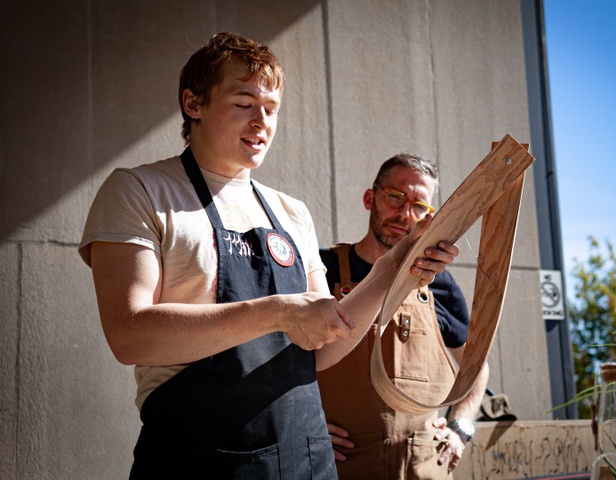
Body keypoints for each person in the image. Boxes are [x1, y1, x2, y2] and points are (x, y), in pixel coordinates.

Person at [78, 33, 459, 480]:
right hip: (196, 457)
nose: (262, 121)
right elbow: (129, 335)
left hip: (305, 459)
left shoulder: (290, 211)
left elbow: (325, 343)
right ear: (193, 103)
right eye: (244, 103)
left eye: (272, 109)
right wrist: (277, 312)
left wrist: (393, 269)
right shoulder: (140, 190)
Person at [317, 153, 489, 479]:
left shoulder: (440, 285)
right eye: (395, 197)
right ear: (371, 198)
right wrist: (303, 425)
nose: (405, 214)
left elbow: (476, 366)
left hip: (423, 469)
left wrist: (461, 426)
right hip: (339, 468)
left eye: (419, 206)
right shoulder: (319, 270)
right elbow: (276, 364)